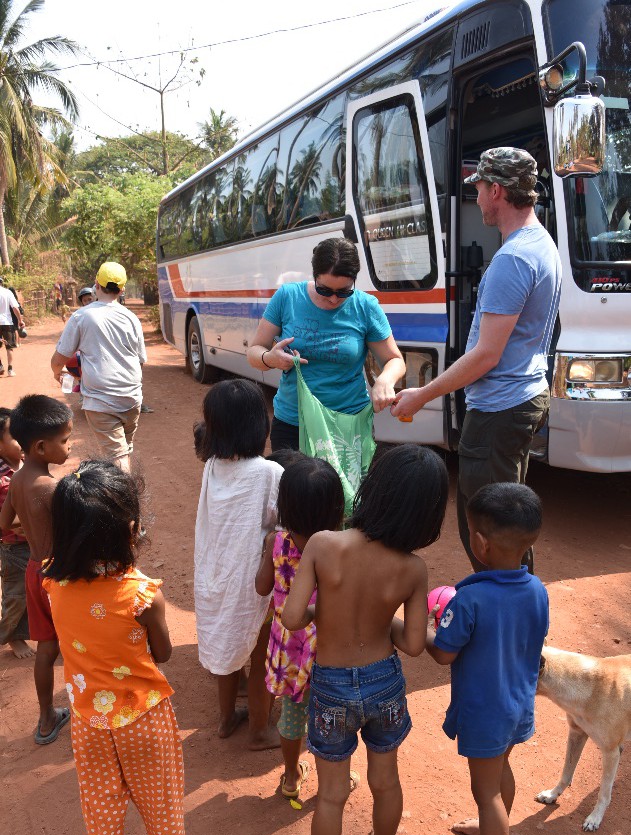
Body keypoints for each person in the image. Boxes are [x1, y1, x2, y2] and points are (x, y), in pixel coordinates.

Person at [42, 460, 208, 835]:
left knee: (101, 812)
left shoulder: (53, 583)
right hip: (144, 720)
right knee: (162, 804)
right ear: (130, 529)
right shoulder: (141, 594)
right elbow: (164, 653)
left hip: (88, 722)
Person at [282, 444, 449, 835]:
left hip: (333, 685)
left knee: (332, 794)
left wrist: (325, 611)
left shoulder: (322, 544)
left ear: (373, 488)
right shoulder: (413, 569)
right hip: (385, 683)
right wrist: (382, 621)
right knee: (386, 781)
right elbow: (414, 644)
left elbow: (293, 617)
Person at [391, 148, 562, 573]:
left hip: (500, 407)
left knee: (487, 528)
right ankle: (515, 613)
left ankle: (503, 622)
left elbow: (486, 355)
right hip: (521, 397)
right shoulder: (541, 245)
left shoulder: (513, 258)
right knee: (509, 517)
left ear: (497, 190)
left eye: (480, 189)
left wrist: (422, 395)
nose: (478, 198)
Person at [426, 482, 548, 835]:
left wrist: (428, 628)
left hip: (485, 709)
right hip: (517, 702)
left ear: (479, 543)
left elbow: (443, 654)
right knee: (499, 775)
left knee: (486, 791)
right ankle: (494, 827)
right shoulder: (537, 589)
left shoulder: (470, 598)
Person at [247, 237, 405, 452]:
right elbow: (254, 351)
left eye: (344, 292)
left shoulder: (366, 306)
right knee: (294, 485)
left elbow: (394, 359)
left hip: (348, 424)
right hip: (294, 423)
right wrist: (269, 359)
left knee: (347, 487)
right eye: (325, 290)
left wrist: (385, 380)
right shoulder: (287, 297)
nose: (333, 299)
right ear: (314, 276)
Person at [195, 378, 283, 749]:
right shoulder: (271, 473)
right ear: (262, 426)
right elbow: (280, 526)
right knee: (262, 654)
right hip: (255, 584)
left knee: (228, 651)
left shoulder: (213, 465)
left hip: (217, 577)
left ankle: (227, 718)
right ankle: (261, 732)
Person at [255, 456, 345, 798]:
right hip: (332, 650)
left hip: (290, 647)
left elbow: (262, 587)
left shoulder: (276, 545)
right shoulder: (342, 548)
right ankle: (331, 781)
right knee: (333, 719)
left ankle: (291, 777)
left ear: (285, 508)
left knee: (292, 718)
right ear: (337, 508)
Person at [0, 396, 73, 743]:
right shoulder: (51, 488)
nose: (70, 447)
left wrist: (29, 525)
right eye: (65, 440)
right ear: (42, 447)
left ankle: (46, 720)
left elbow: (4, 522)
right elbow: (73, 534)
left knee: (47, 648)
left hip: (33, 571)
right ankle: (94, 714)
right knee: (77, 645)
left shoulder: (16, 481)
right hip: (60, 577)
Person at [51, 262, 146, 473]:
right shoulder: (131, 318)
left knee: (117, 456)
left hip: (102, 400)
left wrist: (58, 373)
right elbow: (140, 360)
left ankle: (125, 500)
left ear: (96, 285)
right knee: (123, 450)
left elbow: (60, 358)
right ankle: (122, 490)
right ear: (122, 290)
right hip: (132, 399)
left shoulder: (82, 316)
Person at [0, 408, 33, 658]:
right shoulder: (2, 478)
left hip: (36, 541)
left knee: (43, 589)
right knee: (15, 596)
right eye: (16, 436)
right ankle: (10, 636)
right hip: (14, 548)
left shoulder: (26, 463)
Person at [0, 277, 25, 377]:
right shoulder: (7, 292)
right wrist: (20, 320)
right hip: (7, 323)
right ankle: (10, 369)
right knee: (9, 347)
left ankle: (0, 365)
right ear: (1, 283)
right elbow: (15, 307)